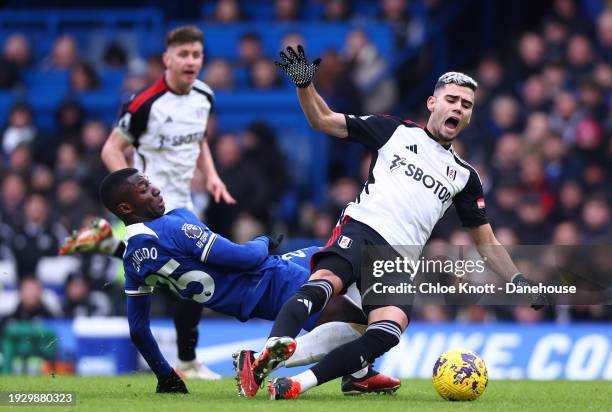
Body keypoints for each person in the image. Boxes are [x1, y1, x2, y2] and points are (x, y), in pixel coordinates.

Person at [247, 45, 549, 400]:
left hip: (398, 257)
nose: (458, 108)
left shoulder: (466, 178)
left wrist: (517, 280)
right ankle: (270, 351)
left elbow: (486, 242)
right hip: (363, 227)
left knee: (388, 329)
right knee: (327, 281)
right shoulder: (394, 131)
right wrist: (304, 85)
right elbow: (323, 120)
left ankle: (299, 384)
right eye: (452, 99)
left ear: (469, 117)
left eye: (466, 105)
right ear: (432, 103)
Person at [97, 168, 400, 395]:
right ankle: (260, 362)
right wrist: (263, 240)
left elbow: (138, 329)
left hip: (250, 297)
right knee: (367, 323)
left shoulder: (133, 260)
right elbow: (245, 259)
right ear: (125, 208)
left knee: (355, 266)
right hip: (271, 278)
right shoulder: (174, 224)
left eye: (150, 183)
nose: (155, 190)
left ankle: (359, 374)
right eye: (143, 189)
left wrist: (166, 376)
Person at [61, 25, 235, 380]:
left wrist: (212, 174)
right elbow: (111, 148)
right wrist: (132, 192)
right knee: (189, 277)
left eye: (196, 55)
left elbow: (199, 138)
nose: (190, 61)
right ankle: (187, 361)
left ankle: (110, 244)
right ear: (166, 59)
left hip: (185, 201)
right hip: (152, 206)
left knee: (177, 278)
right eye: (183, 55)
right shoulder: (144, 103)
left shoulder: (204, 95)